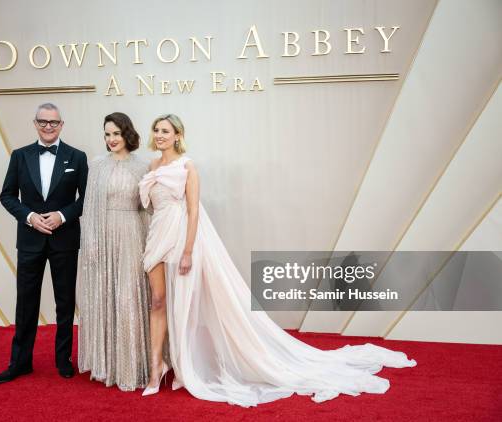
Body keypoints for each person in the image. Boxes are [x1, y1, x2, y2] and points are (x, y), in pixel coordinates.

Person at [139, 114, 416, 404]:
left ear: (177, 135)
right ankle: (158, 366)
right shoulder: (152, 166)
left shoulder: (188, 166)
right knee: (159, 302)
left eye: (165, 131)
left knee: (184, 305)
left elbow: (194, 210)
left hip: (182, 236)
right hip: (157, 234)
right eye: (156, 130)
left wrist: (187, 251)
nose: (159, 135)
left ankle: (186, 368)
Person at [0, 103, 88, 383]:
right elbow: (7, 195)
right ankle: (20, 363)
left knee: (65, 303)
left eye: (54, 122)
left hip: (65, 241)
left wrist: (61, 215)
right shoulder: (20, 156)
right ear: (35, 123)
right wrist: (30, 217)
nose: (48, 127)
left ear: (62, 124)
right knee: (25, 304)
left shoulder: (77, 157)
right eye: (43, 122)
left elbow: (85, 199)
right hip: (30, 240)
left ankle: (63, 361)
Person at [77, 112, 151, 391]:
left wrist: (151, 243)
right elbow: (90, 207)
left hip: (132, 235)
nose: (111, 140)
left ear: (127, 134)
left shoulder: (143, 166)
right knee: (106, 295)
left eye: (116, 134)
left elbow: (148, 208)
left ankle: (132, 366)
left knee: (128, 297)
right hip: (103, 236)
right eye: (107, 134)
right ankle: (106, 364)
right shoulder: (97, 165)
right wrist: (92, 242)